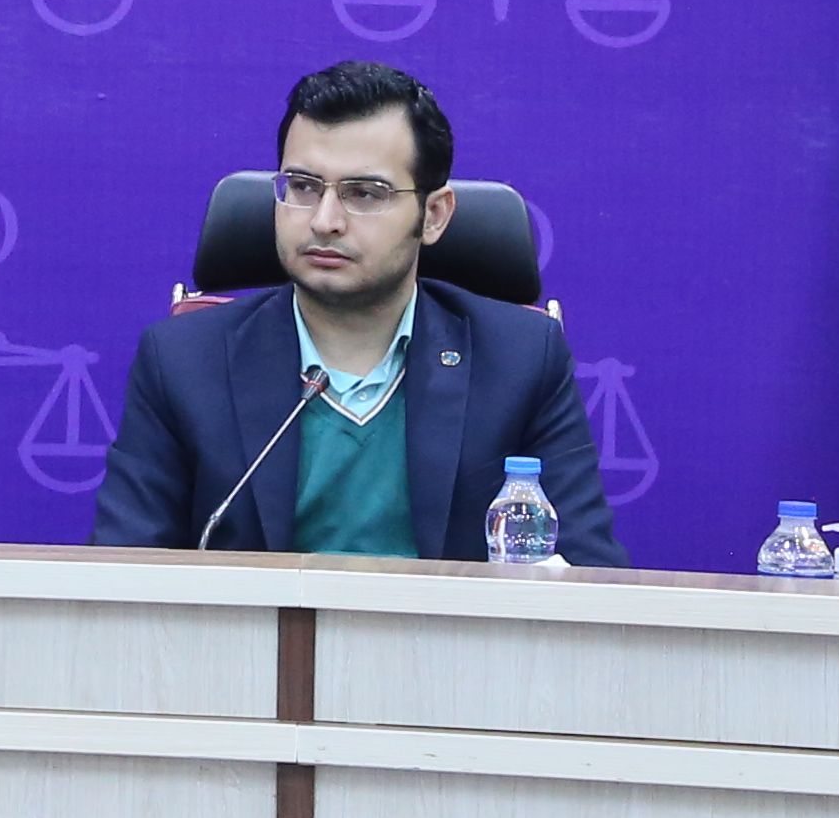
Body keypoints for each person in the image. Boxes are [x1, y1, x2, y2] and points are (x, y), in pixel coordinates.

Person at [89, 60, 617, 564]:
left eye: (364, 193)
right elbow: (124, 573)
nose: (324, 220)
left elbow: (589, 575)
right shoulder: (183, 361)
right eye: (302, 187)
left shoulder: (522, 359)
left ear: (434, 215)